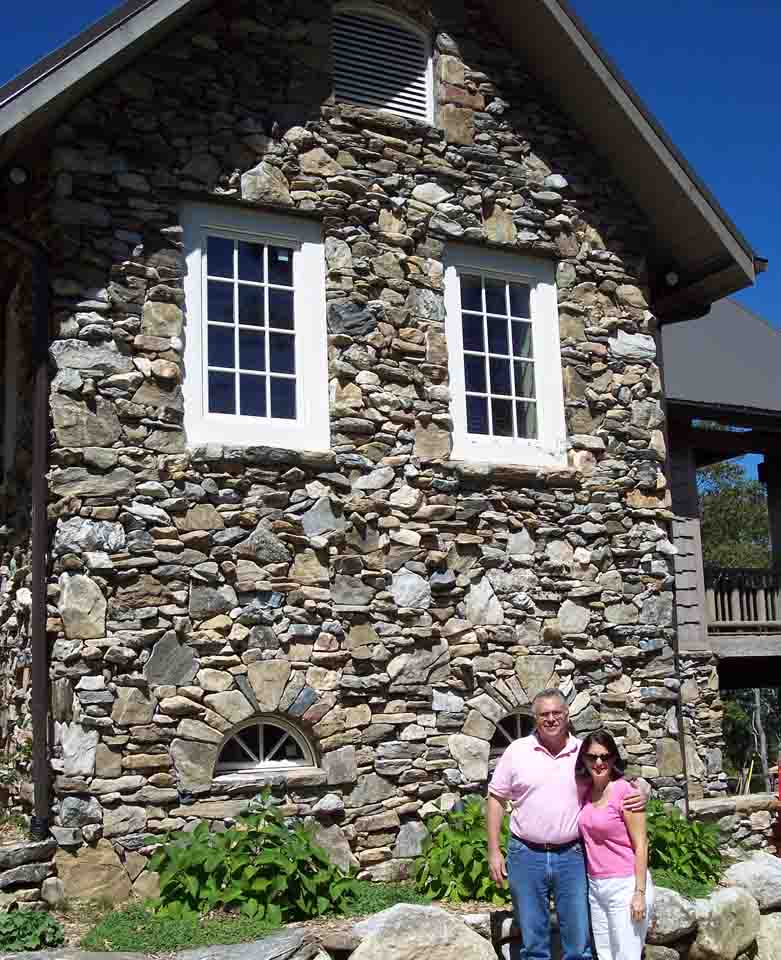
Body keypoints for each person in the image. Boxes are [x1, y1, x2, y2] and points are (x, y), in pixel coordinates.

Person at [487, 689, 648, 960]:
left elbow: (613, 779)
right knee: (533, 943)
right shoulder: (517, 751)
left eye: (556, 713)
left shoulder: (583, 752)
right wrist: (493, 850)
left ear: (567, 715)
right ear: (535, 718)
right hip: (526, 855)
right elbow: (495, 799)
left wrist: (642, 790)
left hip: (571, 855)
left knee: (578, 943)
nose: (551, 719)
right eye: (544, 714)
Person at [577, 730, 654, 960]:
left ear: (613, 759)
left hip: (625, 885)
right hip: (596, 886)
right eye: (592, 757)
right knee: (605, 954)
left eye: (605, 756)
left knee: (627, 955)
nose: (599, 762)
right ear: (584, 759)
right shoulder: (587, 792)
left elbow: (641, 845)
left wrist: (639, 893)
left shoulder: (625, 792)